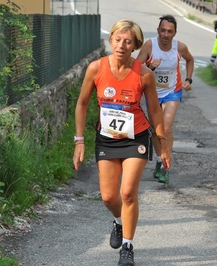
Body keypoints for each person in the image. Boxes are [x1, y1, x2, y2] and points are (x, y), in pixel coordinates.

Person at [73, 19, 171, 266]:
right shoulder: (96, 69)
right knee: (108, 197)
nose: (121, 45)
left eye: (127, 41)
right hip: (106, 139)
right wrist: (79, 141)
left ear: (135, 45)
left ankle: (128, 246)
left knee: (127, 192)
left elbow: (155, 112)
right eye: (117, 39)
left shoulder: (144, 74)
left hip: (136, 137)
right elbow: (82, 103)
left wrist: (163, 145)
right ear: (111, 40)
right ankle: (118, 221)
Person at [136, 14, 194, 184]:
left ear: (174, 33)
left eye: (169, 31)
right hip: (153, 93)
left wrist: (188, 79)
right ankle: (161, 159)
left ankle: (165, 165)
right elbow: (136, 68)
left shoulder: (180, 47)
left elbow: (190, 60)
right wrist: (150, 67)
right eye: (163, 30)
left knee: (166, 127)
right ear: (158, 31)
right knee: (156, 130)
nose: (165, 34)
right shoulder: (150, 46)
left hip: (172, 91)